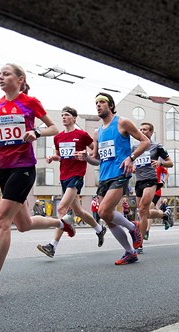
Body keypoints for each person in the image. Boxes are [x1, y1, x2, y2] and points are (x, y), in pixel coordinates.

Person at [0, 63, 74, 300]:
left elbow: (53, 127)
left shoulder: (30, 102)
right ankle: (62, 223)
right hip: (2, 168)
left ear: (20, 79)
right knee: (22, 224)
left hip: (23, 168)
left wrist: (37, 133)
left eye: (6, 74)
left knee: (1, 220)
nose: (1, 78)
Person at [75, 92, 149, 265]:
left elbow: (145, 141)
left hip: (120, 173)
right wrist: (86, 158)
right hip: (104, 177)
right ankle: (130, 252)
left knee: (102, 212)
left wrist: (131, 157)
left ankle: (133, 227)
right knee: (108, 218)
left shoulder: (122, 122)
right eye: (96, 103)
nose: (99, 105)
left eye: (102, 102)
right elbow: (97, 159)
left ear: (111, 105)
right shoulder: (97, 131)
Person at [36, 106, 107, 258]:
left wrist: (85, 154)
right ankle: (99, 229)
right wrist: (52, 158)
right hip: (63, 176)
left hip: (77, 175)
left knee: (62, 208)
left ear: (74, 118)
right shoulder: (58, 137)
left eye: (67, 115)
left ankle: (52, 246)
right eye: (62, 115)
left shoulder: (81, 135)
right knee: (79, 211)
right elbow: (60, 156)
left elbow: (96, 152)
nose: (63, 117)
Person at [131, 122, 173, 250]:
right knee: (142, 212)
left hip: (151, 180)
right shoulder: (135, 147)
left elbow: (170, 163)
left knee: (143, 209)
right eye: (141, 129)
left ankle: (139, 242)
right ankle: (164, 215)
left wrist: (160, 163)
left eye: (145, 130)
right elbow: (132, 161)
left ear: (151, 132)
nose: (142, 131)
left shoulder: (156, 146)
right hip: (138, 181)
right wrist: (133, 166)